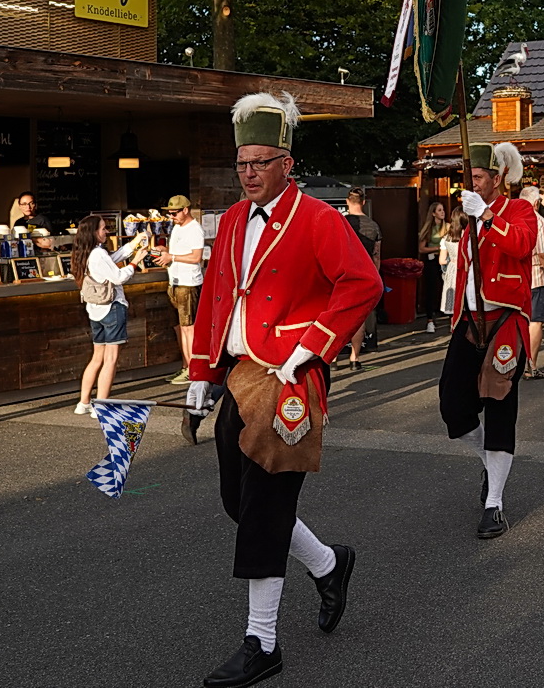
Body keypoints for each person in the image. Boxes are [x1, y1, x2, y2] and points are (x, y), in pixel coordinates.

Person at [184, 92, 379, 685]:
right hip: (239, 375)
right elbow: (216, 298)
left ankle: (261, 642)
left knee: (265, 510)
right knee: (237, 503)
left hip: (288, 379)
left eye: (260, 162)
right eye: (242, 163)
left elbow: (362, 283)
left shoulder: (319, 219)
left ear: (286, 163)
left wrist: (312, 344)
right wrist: (200, 376)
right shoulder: (232, 220)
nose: (248, 174)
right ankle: (328, 565)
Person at [439, 141, 535, 539]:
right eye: (470, 177)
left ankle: (494, 502)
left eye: (478, 177)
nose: (471, 184)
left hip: (506, 322)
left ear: (497, 179)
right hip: (470, 322)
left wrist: (490, 216)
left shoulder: (519, 211)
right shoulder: (469, 218)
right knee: (452, 405)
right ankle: (489, 460)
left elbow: (522, 245)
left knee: (499, 408)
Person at [72, 214, 138, 416]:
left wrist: (133, 244)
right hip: (112, 307)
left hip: (95, 309)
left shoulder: (85, 253)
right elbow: (118, 277)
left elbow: (112, 260)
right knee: (110, 359)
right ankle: (101, 405)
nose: (106, 231)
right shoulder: (98, 254)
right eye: (102, 228)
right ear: (93, 232)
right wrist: (135, 262)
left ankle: (83, 403)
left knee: (97, 358)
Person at [155, 194, 208, 385]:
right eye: (169, 213)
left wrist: (172, 257)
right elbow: (175, 250)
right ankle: (186, 366)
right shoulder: (177, 227)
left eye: (174, 213)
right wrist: (164, 251)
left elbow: (196, 257)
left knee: (188, 328)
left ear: (186, 210)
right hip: (175, 281)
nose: (171, 216)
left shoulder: (195, 229)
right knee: (181, 328)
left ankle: (193, 369)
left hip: (188, 283)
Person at [342, 189, 383, 372]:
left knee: (338, 316)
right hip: (364, 275)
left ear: (347, 201)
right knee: (358, 319)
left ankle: (333, 357)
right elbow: (377, 255)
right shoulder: (373, 226)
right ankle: (354, 358)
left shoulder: (341, 223)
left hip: (342, 274)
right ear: (364, 202)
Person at [520, 185, 544, 380]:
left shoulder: (509, 217)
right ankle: (531, 365)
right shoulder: (538, 221)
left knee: (514, 322)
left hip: (512, 279)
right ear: (535, 202)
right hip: (534, 276)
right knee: (534, 322)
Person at [418, 200, 449, 334]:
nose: (443, 213)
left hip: (446, 261)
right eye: (440, 210)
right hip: (432, 260)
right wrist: (437, 248)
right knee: (431, 289)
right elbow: (421, 248)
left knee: (447, 288)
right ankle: (430, 320)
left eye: (443, 210)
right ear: (433, 213)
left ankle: (449, 317)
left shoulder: (448, 227)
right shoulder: (429, 228)